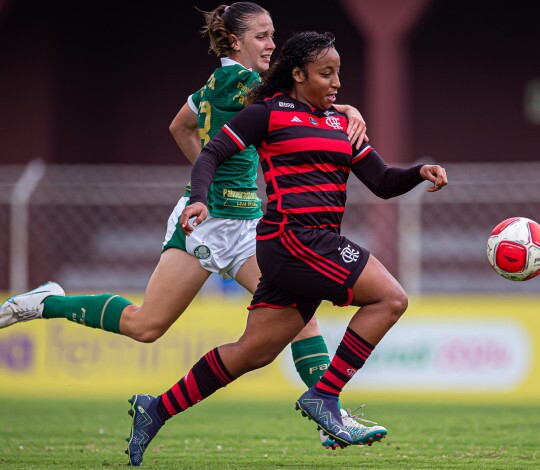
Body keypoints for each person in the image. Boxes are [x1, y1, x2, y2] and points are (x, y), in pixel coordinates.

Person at [0, 2, 368, 452]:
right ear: (235, 42)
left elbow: (181, 124)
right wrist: (346, 107)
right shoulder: (247, 82)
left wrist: (207, 168)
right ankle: (48, 304)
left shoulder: (219, 82)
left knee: (299, 319)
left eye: (273, 35)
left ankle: (329, 417)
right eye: (262, 35)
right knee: (146, 325)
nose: (272, 44)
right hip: (207, 224)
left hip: (248, 226)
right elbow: (302, 101)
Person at [123, 30, 448, 466]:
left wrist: (419, 172)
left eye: (338, 74)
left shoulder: (340, 123)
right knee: (391, 298)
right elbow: (211, 155)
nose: (336, 83)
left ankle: (155, 408)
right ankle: (325, 397)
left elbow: (383, 182)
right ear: (297, 74)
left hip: (306, 245)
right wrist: (199, 196)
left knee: (251, 352)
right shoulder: (267, 114)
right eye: (325, 73)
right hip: (295, 239)